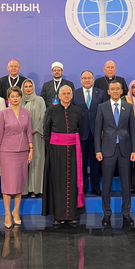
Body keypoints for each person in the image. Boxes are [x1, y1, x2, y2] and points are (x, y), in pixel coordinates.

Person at [94, 81, 135, 228]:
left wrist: (134, 150)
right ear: (108, 91)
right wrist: (98, 150)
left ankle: (126, 213)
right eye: (112, 89)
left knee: (126, 185)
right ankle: (106, 214)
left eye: (117, 89)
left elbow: (133, 131)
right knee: (106, 184)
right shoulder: (102, 107)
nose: (114, 91)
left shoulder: (128, 107)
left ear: (121, 91)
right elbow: (97, 131)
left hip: (125, 150)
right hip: (107, 150)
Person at [42, 85, 85, 227]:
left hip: (73, 151)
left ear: (72, 96)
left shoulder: (77, 111)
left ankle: (72, 215)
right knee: (58, 182)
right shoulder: (51, 110)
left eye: (68, 94)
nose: (66, 96)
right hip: (56, 152)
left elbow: (81, 130)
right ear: (59, 96)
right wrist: (52, 150)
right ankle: (58, 215)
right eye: (63, 94)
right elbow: (46, 133)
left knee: (73, 182)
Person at [0, 87, 33, 228]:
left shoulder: (26, 113)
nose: (15, 98)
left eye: (17, 96)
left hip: (22, 151)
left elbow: (29, 132)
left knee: (19, 184)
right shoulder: (4, 113)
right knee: (7, 184)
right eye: (12, 96)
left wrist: (31, 149)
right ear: (8, 98)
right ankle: (7, 213)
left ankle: (16, 211)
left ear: (21, 97)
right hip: (6, 151)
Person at [72, 70, 105, 195]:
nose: (87, 80)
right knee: (82, 162)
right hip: (81, 133)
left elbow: (104, 114)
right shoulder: (75, 94)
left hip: (97, 133)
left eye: (89, 78)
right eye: (84, 78)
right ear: (81, 80)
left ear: (93, 79)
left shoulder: (100, 93)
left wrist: (103, 130)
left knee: (96, 162)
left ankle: (96, 187)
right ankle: (83, 186)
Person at [21, 79, 46, 198]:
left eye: (30, 86)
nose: (28, 88)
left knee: (37, 161)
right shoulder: (19, 101)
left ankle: (35, 190)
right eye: (25, 86)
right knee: (23, 163)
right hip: (21, 138)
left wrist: (35, 130)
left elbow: (44, 117)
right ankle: (24, 190)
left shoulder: (39, 100)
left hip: (36, 136)